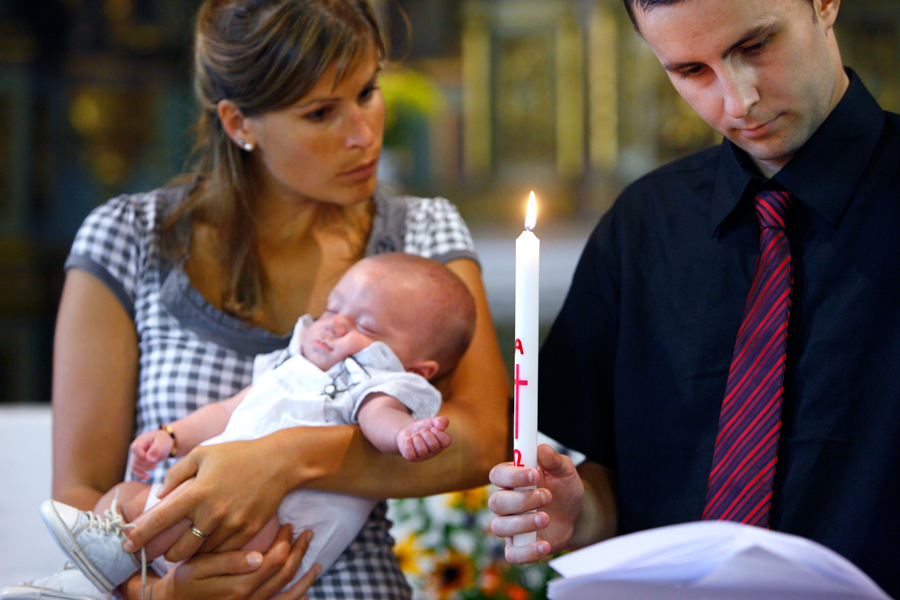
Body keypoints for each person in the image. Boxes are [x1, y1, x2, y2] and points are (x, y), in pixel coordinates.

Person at [1, 1, 510, 599]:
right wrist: (164, 596)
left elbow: (483, 439)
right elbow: (82, 496)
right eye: (320, 112)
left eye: (368, 91)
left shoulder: (421, 233)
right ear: (238, 122)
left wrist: (286, 457)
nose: (363, 131)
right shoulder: (128, 238)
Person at [487, 0, 900, 596]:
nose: (738, 101)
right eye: (691, 72)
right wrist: (576, 513)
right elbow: (614, 490)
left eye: (755, 46)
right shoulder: (645, 222)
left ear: (824, 5)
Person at [38, 253, 476, 594]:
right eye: (331, 309)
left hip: (272, 539)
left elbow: (379, 417)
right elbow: (229, 411)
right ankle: (96, 576)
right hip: (212, 524)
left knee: (171, 511)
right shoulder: (292, 369)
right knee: (121, 498)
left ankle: (100, 570)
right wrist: (172, 436)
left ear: (417, 370)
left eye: (365, 325)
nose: (334, 325)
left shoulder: (374, 381)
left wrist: (404, 433)